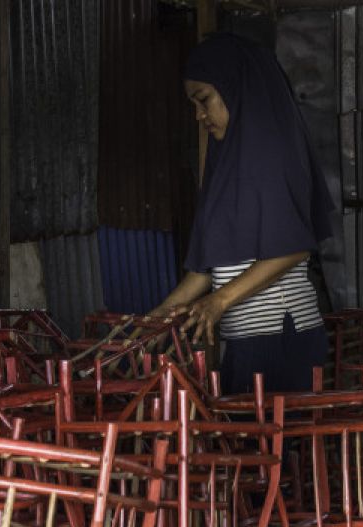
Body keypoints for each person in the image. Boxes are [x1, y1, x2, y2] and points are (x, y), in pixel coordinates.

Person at [149, 33, 335, 395]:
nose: (200, 116)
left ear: (235, 89)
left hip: (280, 339)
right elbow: (213, 265)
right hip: (247, 340)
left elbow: (293, 246)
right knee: (248, 446)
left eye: (204, 100)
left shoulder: (273, 153)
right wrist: (164, 311)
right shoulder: (225, 161)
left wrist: (219, 301)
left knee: (263, 447)